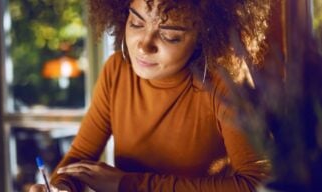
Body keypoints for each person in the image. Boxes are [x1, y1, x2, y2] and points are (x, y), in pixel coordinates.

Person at [30, 0, 271, 191]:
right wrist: (61, 187)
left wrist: (127, 184)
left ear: (204, 37)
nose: (144, 45)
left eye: (170, 35)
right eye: (136, 23)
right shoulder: (117, 70)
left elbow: (257, 183)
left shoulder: (226, 82)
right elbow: (81, 157)